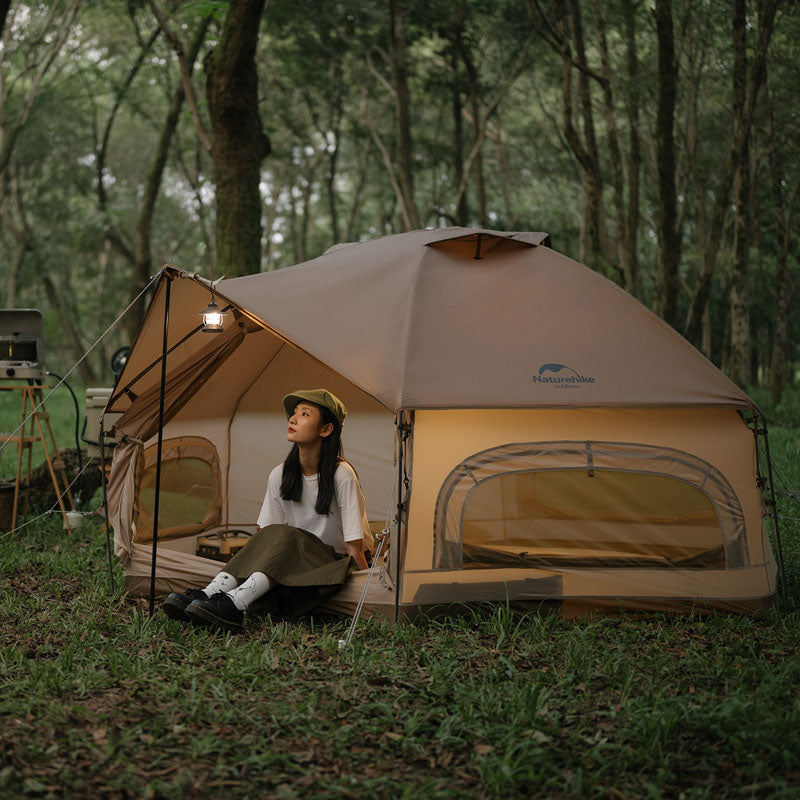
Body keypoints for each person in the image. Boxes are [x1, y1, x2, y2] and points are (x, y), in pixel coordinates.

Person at [161, 389, 373, 632]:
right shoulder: (280, 474)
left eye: (304, 414)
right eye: (293, 414)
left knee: (287, 534)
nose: (293, 419)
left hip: (328, 567)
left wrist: (369, 589)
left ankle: (234, 604)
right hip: (288, 569)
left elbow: (354, 546)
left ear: (325, 430)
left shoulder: (341, 474)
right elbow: (265, 533)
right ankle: (210, 594)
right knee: (272, 533)